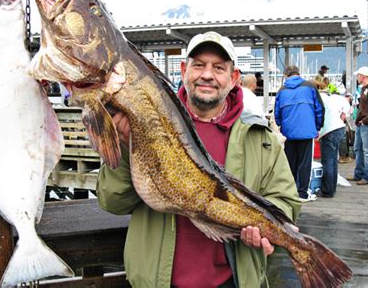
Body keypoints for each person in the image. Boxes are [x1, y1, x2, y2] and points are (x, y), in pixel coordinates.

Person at [96, 31, 302, 287]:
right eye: (199, 65)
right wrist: (127, 149)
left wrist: (262, 231)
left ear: (233, 78)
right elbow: (111, 202)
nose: (207, 75)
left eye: (218, 68)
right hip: (157, 282)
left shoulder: (260, 138)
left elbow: (286, 201)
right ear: (184, 70)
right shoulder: (147, 120)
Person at [275, 65, 324, 199]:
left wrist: (281, 124)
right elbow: (319, 108)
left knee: (290, 162)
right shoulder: (309, 86)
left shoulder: (282, 90)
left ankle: (290, 191)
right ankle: (302, 193)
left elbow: (277, 113)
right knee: (305, 163)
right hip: (306, 130)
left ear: (286, 75)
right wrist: (318, 126)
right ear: (298, 73)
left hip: (288, 132)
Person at [347, 67, 368, 185]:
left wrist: (365, 120)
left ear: (362, 76)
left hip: (367, 124)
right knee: (358, 148)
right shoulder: (365, 89)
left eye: (358, 76)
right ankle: (359, 173)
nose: (357, 78)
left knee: (367, 151)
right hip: (362, 123)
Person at [317, 83, 350, 197]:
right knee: (333, 160)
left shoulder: (319, 98)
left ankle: (327, 190)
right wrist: (344, 114)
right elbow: (347, 102)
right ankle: (332, 186)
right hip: (339, 128)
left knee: (327, 161)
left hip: (328, 131)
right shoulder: (335, 98)